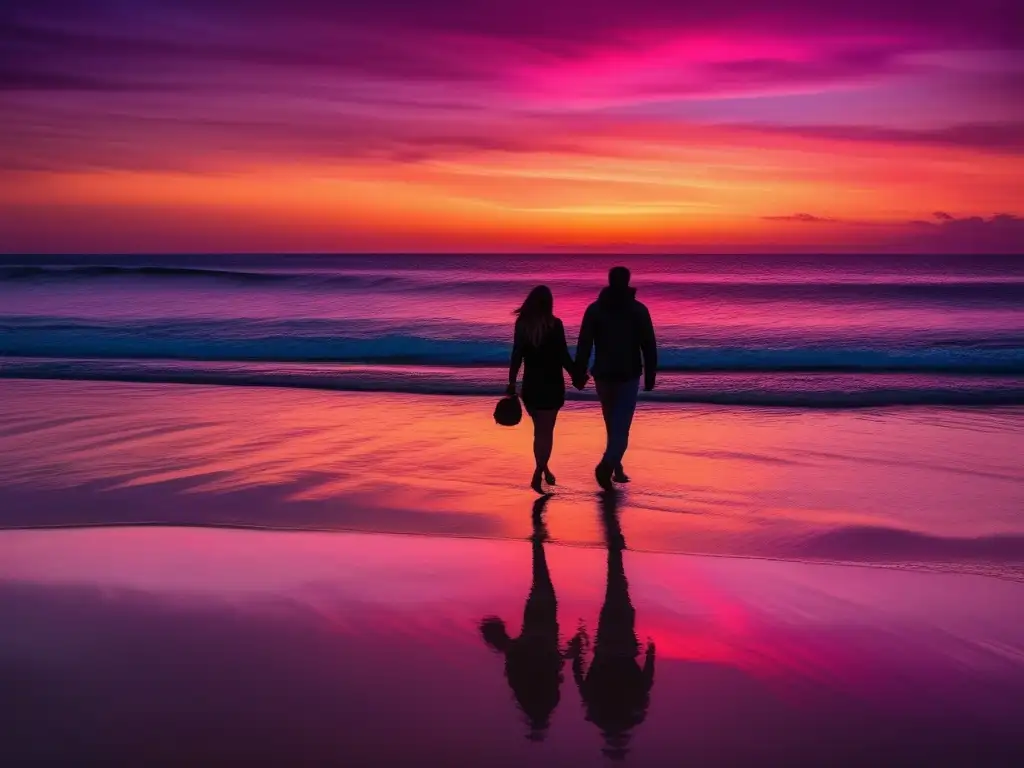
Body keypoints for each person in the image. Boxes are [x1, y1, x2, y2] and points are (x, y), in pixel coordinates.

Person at [569, 492, 656, 761]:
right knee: (614, 594)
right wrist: (579, 655)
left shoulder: (605, 713)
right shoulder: (622, 714)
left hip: (619, 647)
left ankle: (615, 550)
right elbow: (580, 680)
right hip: (608, 646)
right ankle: (614, 550)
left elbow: (646, 681)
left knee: (619, 594)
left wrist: (651, 653)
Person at [480, 495, 574, 741]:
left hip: (543, 630)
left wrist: (565, 651)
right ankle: (537, 535)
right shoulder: (523, 688)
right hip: (533, 628)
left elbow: (554, 665)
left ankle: (537, 534)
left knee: (543, 583)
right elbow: (516, 657)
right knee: (540, 582)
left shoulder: (540, 693)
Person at [574, 266, 657, 490]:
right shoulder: (638, 310)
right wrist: (650, 375)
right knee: (621, 428)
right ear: (627, 281)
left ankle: (616, 467)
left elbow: (584, 344)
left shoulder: (595, 310)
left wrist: (578, 373)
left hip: (603, 374)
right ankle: (606, 466)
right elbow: (648, 345)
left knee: (612, 424)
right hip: (627, 375)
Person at [508, 285, 585, 493]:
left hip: (531, 386)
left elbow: (516, 356)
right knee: (546, 432)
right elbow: (563, 356)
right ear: (549, 304)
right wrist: (577, 376)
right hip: (552, 385)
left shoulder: (522, 325)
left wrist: (511, 382)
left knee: (538, 432)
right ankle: (538, 473)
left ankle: (544, 469)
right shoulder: (555, 324)